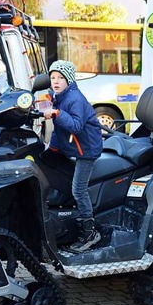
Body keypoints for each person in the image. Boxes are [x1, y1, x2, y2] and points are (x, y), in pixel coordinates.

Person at [42, 60, 103, 252]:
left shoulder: (75, 98)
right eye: (53, 77)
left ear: (69, 80)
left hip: (87, 150)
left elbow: (75, 125)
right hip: (74, 147)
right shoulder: (58, 96)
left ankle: (90, 231)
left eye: (60, 78)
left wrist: (57, 113)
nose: (56, 81)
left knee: (78, 189)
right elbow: (58, 129)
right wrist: (51, 150)